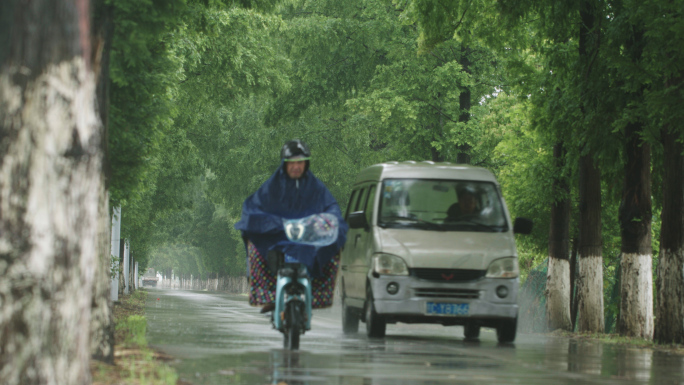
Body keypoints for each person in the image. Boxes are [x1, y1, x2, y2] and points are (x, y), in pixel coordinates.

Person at [234, 140, 348, 313]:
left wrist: (333, 220)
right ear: (284, 164)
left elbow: (330, 207)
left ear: (306, 163)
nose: (296, 166)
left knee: (333, 247)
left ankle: (317, 296)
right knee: (255, 245)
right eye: (292, 162)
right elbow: (253, 206)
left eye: (300, 162)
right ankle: (269, 295)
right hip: (278, 236)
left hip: (308, 237)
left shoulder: (316, 187)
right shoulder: (272, 186)